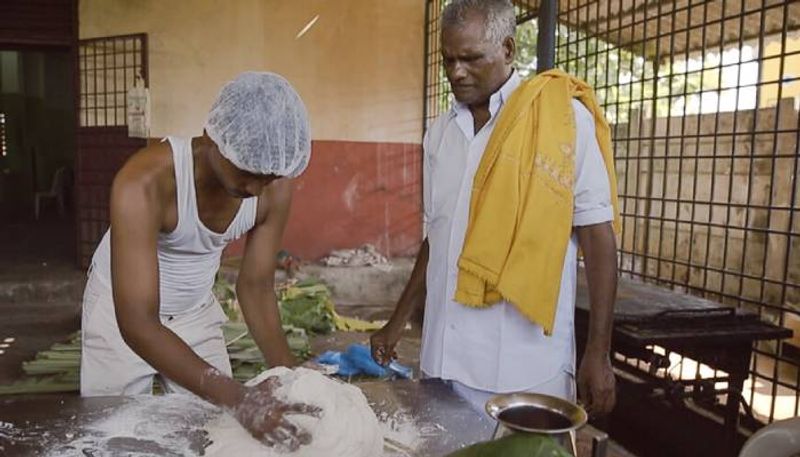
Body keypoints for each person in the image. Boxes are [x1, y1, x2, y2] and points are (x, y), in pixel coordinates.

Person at [371, 0, 620, 416]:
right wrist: (397, 322)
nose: (456, 72)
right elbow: (438, 234)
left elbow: (598, 236)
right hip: (443, 358)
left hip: (523, 369)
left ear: (507, 50)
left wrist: (600, 350)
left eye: (470, 58)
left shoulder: (561, 121)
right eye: (448, 60)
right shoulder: (440, 134)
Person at [80, 72, 318, 449]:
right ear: (212, 138)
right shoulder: (145, 181)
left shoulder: (274, 184)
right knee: (114, 434)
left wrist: (290, 372)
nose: (256, 189)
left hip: (194, 312)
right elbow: (138, 322)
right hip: (121, 314)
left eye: (267, 178)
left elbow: (255, 286)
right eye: (247, 172)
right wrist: (239, 397)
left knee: (212, 436)